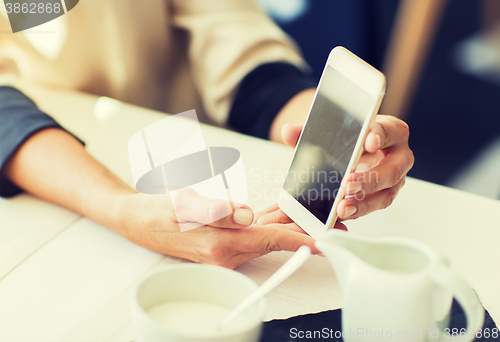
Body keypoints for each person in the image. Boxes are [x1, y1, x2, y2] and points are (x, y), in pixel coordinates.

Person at [0, 0, 414, 269]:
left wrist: (326, 127)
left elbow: (232, 34)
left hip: (193, 168)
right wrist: (123, 211)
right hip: (47, 192)